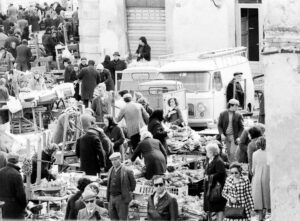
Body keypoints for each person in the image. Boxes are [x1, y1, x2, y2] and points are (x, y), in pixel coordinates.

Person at [107, 152, 136, 221]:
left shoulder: (127, 170)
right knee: (113, 217)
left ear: (119, 159)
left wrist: (128, 192)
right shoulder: (110, 170)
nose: (113, 162)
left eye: (115, 159)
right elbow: (110, 181)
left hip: (121, 198)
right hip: (111, 197)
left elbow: (133, 183)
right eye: (112, 160)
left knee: (123, 218)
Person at [203, 143, 227, 221]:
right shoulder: (209, 159)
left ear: (212, 152)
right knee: (211, 206)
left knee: (219, 207)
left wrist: (209, 177)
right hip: (210, 186)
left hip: (217, 188)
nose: (206, 153)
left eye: (207, 151)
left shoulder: (218, 161)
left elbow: (221, 173)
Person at [0, 153, 27, 219]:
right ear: (17, 161)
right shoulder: (17, 174)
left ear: (7, 160)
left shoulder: (0, 172)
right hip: (16, 208)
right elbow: (21, 194)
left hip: (3, 206)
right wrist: (25, 206)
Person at [251, 137, 270, 221]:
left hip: (258, 176)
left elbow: (253, 169)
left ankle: (260, 216)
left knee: (259, 197)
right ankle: (267, 213)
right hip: (268, 175)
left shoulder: (255, 154)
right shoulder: (270, 153)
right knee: (267, 195)